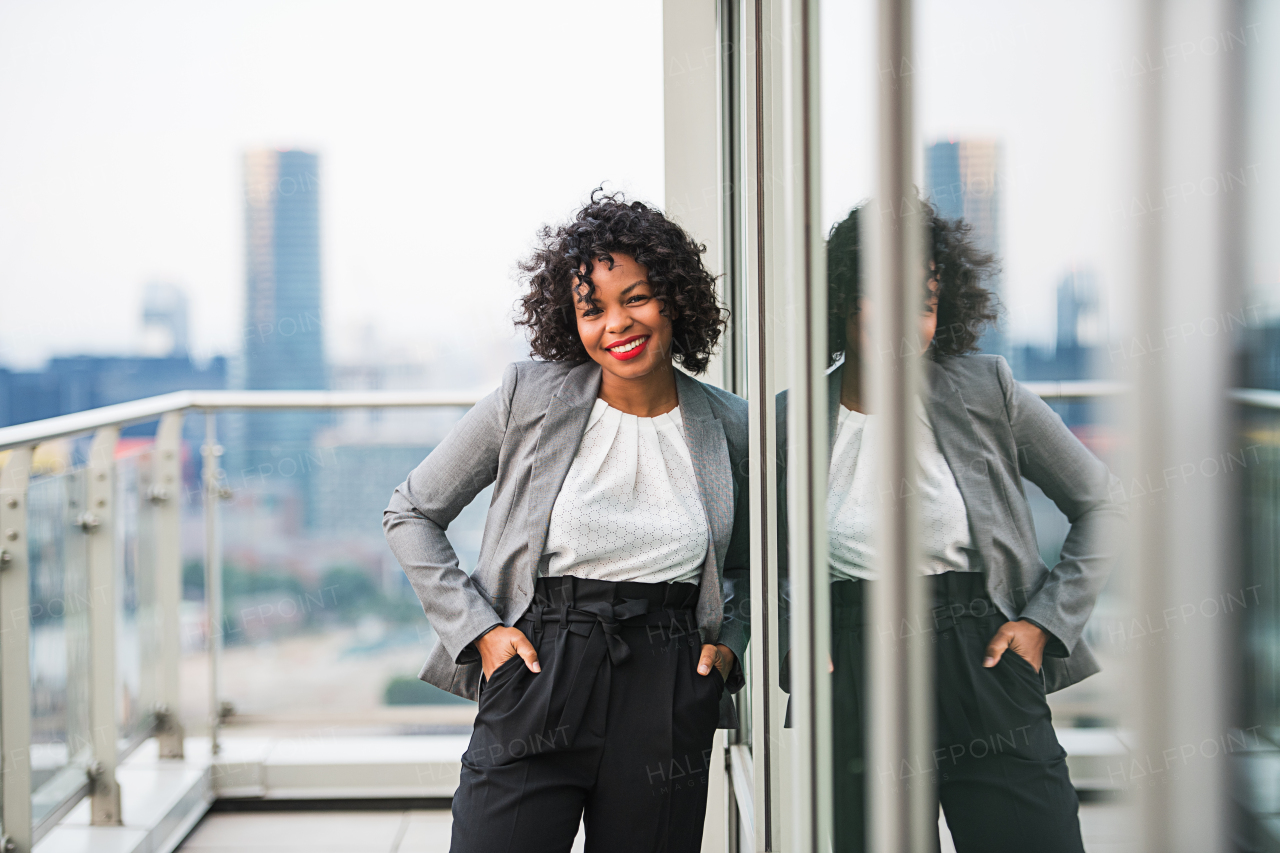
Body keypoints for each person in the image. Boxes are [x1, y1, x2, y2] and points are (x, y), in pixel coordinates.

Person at [384, 191, 750, 853]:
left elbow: (759, 562)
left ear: (674, 298)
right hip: (540, 664)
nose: (617, 323)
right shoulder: (529, 395)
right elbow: (411, 510)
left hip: (667, 682)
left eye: (636, 297)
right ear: (570, 318)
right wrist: (482, 633)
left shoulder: (730, 426)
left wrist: (732, 645)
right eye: (594, 308)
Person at [779, 200, 1125, 852]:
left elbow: (1104, 503)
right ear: (843, 299)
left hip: (981, 649)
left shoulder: (987, 387)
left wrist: (1045, 622)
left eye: (926, 299)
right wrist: (796, 633)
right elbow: (756, 558)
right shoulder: (790, 419)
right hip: (853, 660)